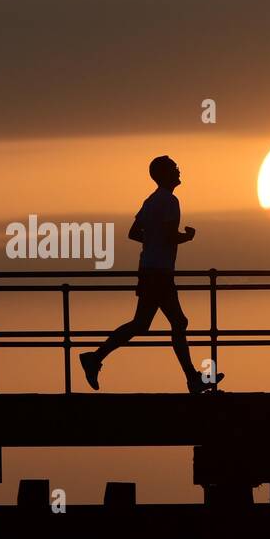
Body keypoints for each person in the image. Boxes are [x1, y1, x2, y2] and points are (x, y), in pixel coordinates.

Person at [79, 156, 223, 394]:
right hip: (160, 272)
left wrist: (154, 240)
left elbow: (134, 232)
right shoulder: (170, 201)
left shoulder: (151, 200)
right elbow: (168, 236)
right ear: (165, 174)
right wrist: (187, 236)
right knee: (176, 322)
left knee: (143, 324)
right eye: (174, 169)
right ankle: (193, 380)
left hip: (149, 269)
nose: (179, 171)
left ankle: (95, 358)